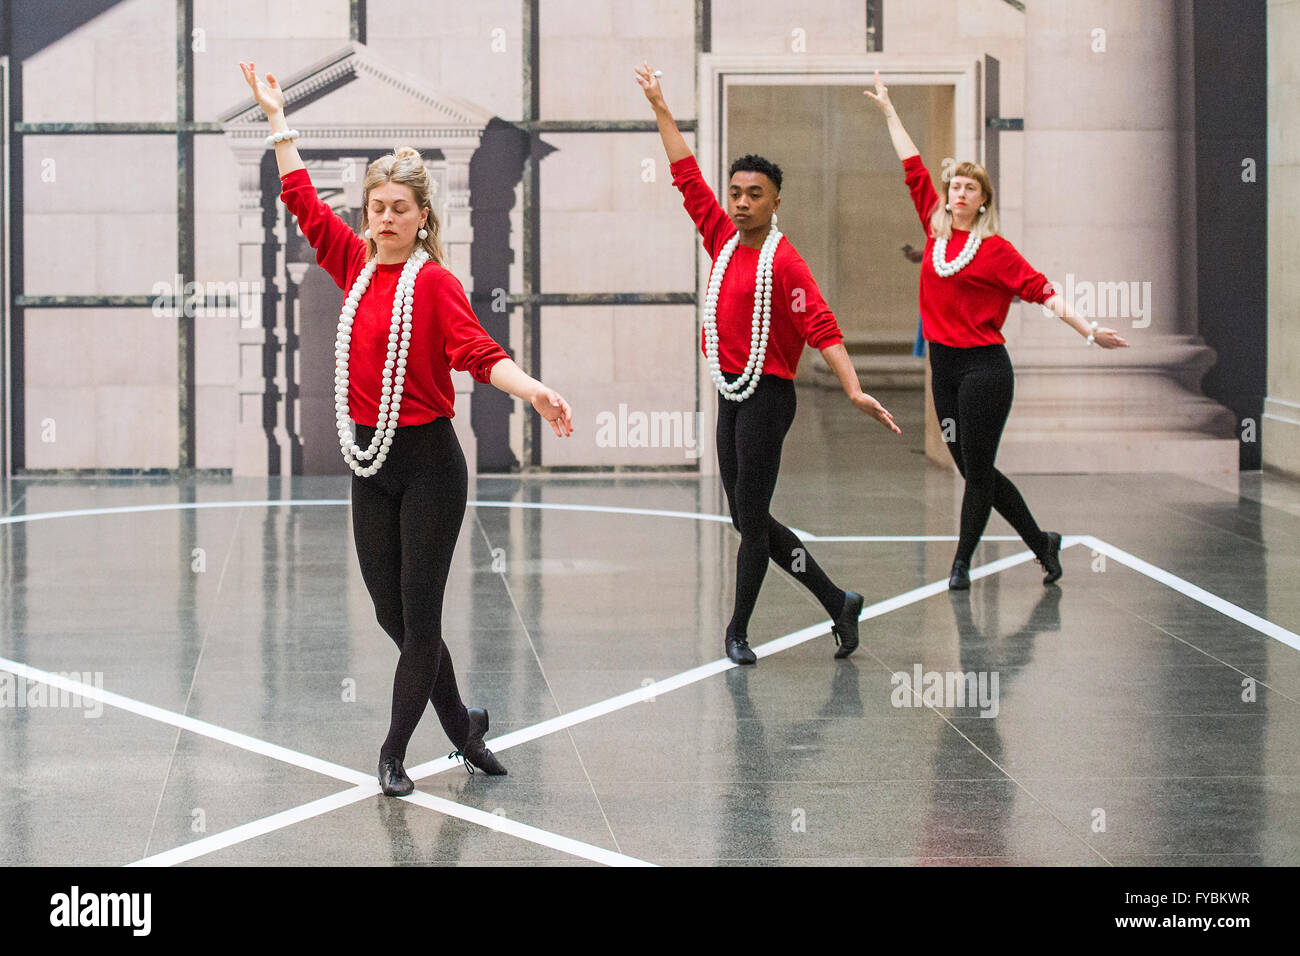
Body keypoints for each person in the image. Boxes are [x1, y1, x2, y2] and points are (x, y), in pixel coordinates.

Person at [239, 62, 574, 796]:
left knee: (420, 615)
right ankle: (463, 722)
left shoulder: (435, 283)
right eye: (376, 207)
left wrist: (534, 390)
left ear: (423, 216)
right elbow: (301, 201)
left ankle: (393, 752)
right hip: (372, 464)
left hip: (427, 465)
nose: (385, 218)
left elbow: (481, 355)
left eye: (399, 208)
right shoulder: (353, 265)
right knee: (393, 613)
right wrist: (276, 121)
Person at [635, 63, 902, 665]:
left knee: (750, 518)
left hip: (769, 397)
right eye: (736, 192)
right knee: (745, 515)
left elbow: (822, 326)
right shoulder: (719, 236)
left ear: (776, 200)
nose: (741, 202)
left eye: (755, 194)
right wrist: (660, 107)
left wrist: (854, 388)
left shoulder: (785, 264)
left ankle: (739, 630)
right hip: (731, 393)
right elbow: (685, 175)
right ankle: (838, 602)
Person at [863, 71, 1128, 590]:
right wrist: (890, 111)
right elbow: (911, 162)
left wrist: (1088, 330)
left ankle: (961, 564)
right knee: (971, 467)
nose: (958, 192)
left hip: (986, 367)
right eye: (954, 186)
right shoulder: (935, 228)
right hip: (944, 365)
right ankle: (1041, 541)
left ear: (983, 200)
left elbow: (1043, 290)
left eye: (969, 188)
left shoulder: (996, 251)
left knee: (978, 469)